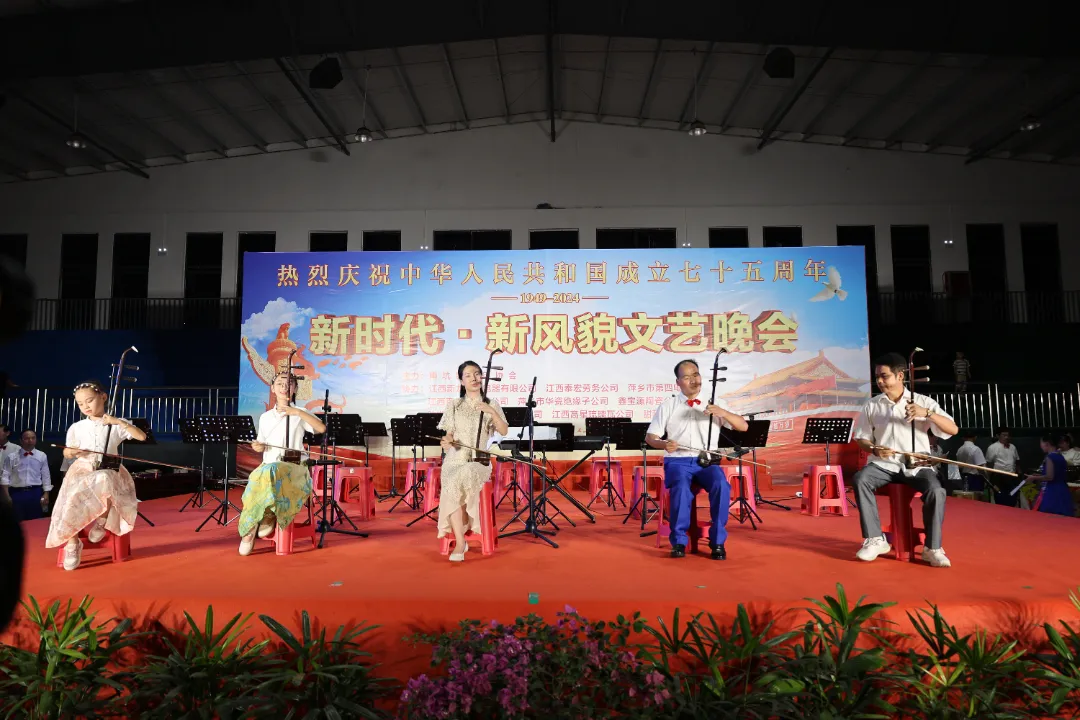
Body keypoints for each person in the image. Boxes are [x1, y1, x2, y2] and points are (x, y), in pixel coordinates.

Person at [852, 353, 958, 568]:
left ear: (900, 375)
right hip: (883, 465)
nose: (879, 381)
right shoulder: (872, 405)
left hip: (917, 465)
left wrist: (927, 413)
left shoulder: (923, 402)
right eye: (877, 377)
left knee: (936, 491)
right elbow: (861, 438)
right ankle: (875, 539)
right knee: (861, 479)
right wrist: (874, 448)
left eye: (884, 376)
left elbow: (952, 429)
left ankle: (932, 547)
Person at [645, 359, 749, 560]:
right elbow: (651, 437)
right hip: (678, 460)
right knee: (681, 488)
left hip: (707, 461)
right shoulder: (668, 405)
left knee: (721, 485)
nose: (693, 380)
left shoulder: (714, 402)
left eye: (696, 375)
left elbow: (743, 426)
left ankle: (717, 540)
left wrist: (723, 413)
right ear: (678, 382)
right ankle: (679, 541)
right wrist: (664, 444)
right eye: (687, 377)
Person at [46, 380, 147, 571]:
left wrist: (118, 422)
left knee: (104, 478)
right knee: (71, 496)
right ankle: (73, 543)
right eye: (80, 404)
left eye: (90, 401)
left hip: (108, 468)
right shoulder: (77, 427)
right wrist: (72, 452)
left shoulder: (115, 423)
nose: (85, 406)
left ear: (103, 397)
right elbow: (67, 452)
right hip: (82, 469)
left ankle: (102, 520)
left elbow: (141, 436)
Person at [240, 371, 326, 556]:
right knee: (259, 475)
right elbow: (262, 444)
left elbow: (321, 428)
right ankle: (252, 526)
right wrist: (258, 446)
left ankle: (266, 517)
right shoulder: (265, 417)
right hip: (269, 468)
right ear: (272, 388)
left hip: (294, 468)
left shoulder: (300, 413)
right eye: (280, 383)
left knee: (269, 471)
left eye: (289, 384)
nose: (284, 387)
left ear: (294, 389)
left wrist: (297, 412)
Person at [437, 361, 508, 562]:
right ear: (461, 381)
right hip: (455, 458)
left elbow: (503, 431)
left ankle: (464, 533)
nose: (474, 378)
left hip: (478, 461)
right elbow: (449, 435)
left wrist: (491, 412)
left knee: (465, 473)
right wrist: (447, 441)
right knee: (452, 478)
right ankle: (461, 542)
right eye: (468, 375)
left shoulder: (491, 403)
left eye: (477, 374)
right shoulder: (454, 405)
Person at [1, 429, 52, 520]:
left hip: (35, 492)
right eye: (27, 438)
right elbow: (5, 476)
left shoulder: (42, 455)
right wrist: (7, 495)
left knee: (35, 520)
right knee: (17, 519)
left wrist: (46, 493)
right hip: (16, 492)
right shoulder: (12, 457)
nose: (30, 440)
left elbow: (46, 475)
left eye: (33, 438)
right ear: (21, 440)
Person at [1027, 433, 1075, 517]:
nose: (1040, 446)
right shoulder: (1060, 456)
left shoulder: (1050, 457)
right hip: (1063, 489)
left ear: (1047, 444)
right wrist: (1038, 475)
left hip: (1052, 491)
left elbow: (1049, 477)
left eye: (1041, 443)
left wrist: (1033, 477)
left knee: (1050, 517)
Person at [986, 427, 1021, 506]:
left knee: (1012, 497)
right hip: (998, 476)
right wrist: (989, 477)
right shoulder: (992, 447)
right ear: (998, 436)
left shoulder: (1013, 447)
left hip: (1011, 476)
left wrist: (1019, 473)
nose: (1006, 437)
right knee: (1000, 497)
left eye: (1008, 435)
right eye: (1004, 435)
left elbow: (1017, 460)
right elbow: (989, 463)